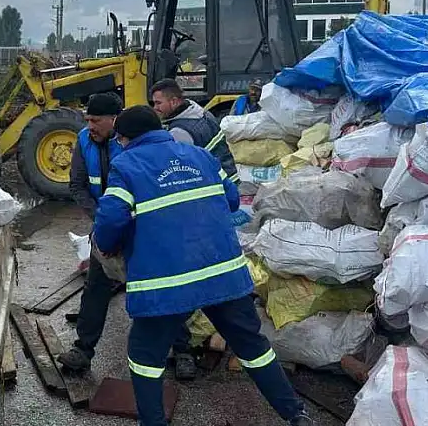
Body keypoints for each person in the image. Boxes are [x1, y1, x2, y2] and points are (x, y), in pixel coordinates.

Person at [92, 106, 312, 426]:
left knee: (145, 356)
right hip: (222, 275)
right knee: (253, 348)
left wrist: (109, 245)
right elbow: (232, 199)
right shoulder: (201, 156)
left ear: (126, 139)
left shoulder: (127, 164)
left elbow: (111, 220)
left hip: (167, 283)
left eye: (121, 140)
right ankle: (296, 414)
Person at [60, 93, 192, 374]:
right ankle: (82, 350)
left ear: (114, 120)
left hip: (144, 227)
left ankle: (183, 351)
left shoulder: (133, 139)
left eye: (96, 120)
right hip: (107, 225)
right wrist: (103, 219)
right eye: (87, 120)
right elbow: (78, 186)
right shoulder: (84, 141)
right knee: (96, 286)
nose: (90, 126)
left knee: (164, 286)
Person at [150, 79, 238, 184]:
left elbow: (177, 170)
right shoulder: (200, 112)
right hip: (231, 176)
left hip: (219, 184)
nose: (155, 108)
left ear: (174, 101)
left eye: (158, 103)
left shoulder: (179, 132)